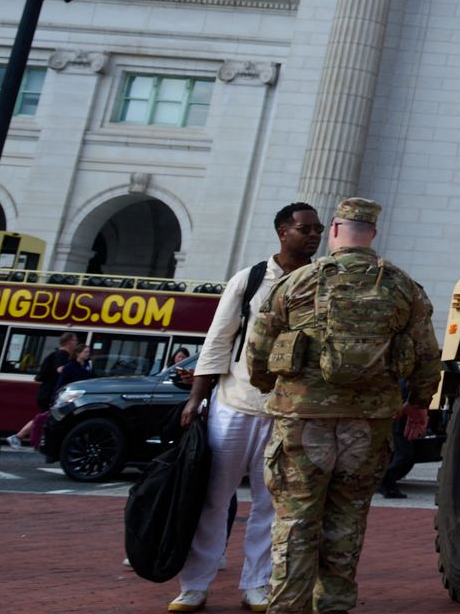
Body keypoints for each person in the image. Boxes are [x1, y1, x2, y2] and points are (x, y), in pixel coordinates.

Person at [246, 197, 440, 614]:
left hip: (302, 420)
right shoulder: (403, 286)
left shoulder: (297, 282)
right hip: (367, 426)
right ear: (371, 233)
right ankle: (333, 604)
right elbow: (427, 356)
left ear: (334, 230)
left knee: (295, 520)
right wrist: (419, 405)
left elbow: (259, 348)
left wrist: (269, 385)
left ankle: (286, 607)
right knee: (348, 518)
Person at [165, 201, 323, 614]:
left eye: (318, 229)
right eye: (305, 228)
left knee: (271, 507)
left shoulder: (323, 282)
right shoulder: (251, 279)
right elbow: (218, 340)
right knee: (212, 500)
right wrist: (196, 397)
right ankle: (194, 586)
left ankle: (256, 585)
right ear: (282, 232)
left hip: (288, 412)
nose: (314, 235)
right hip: (234, 406)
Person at [9, 330, 79, 448]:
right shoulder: (61, 355)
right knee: (47, 416)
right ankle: (19, 437)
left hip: (49, 392)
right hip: (49, 393)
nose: (77, 343)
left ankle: (22, 437)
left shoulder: (58, 354)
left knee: (47, 416)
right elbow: (60, 369)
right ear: (70, 342)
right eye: (76, 341)